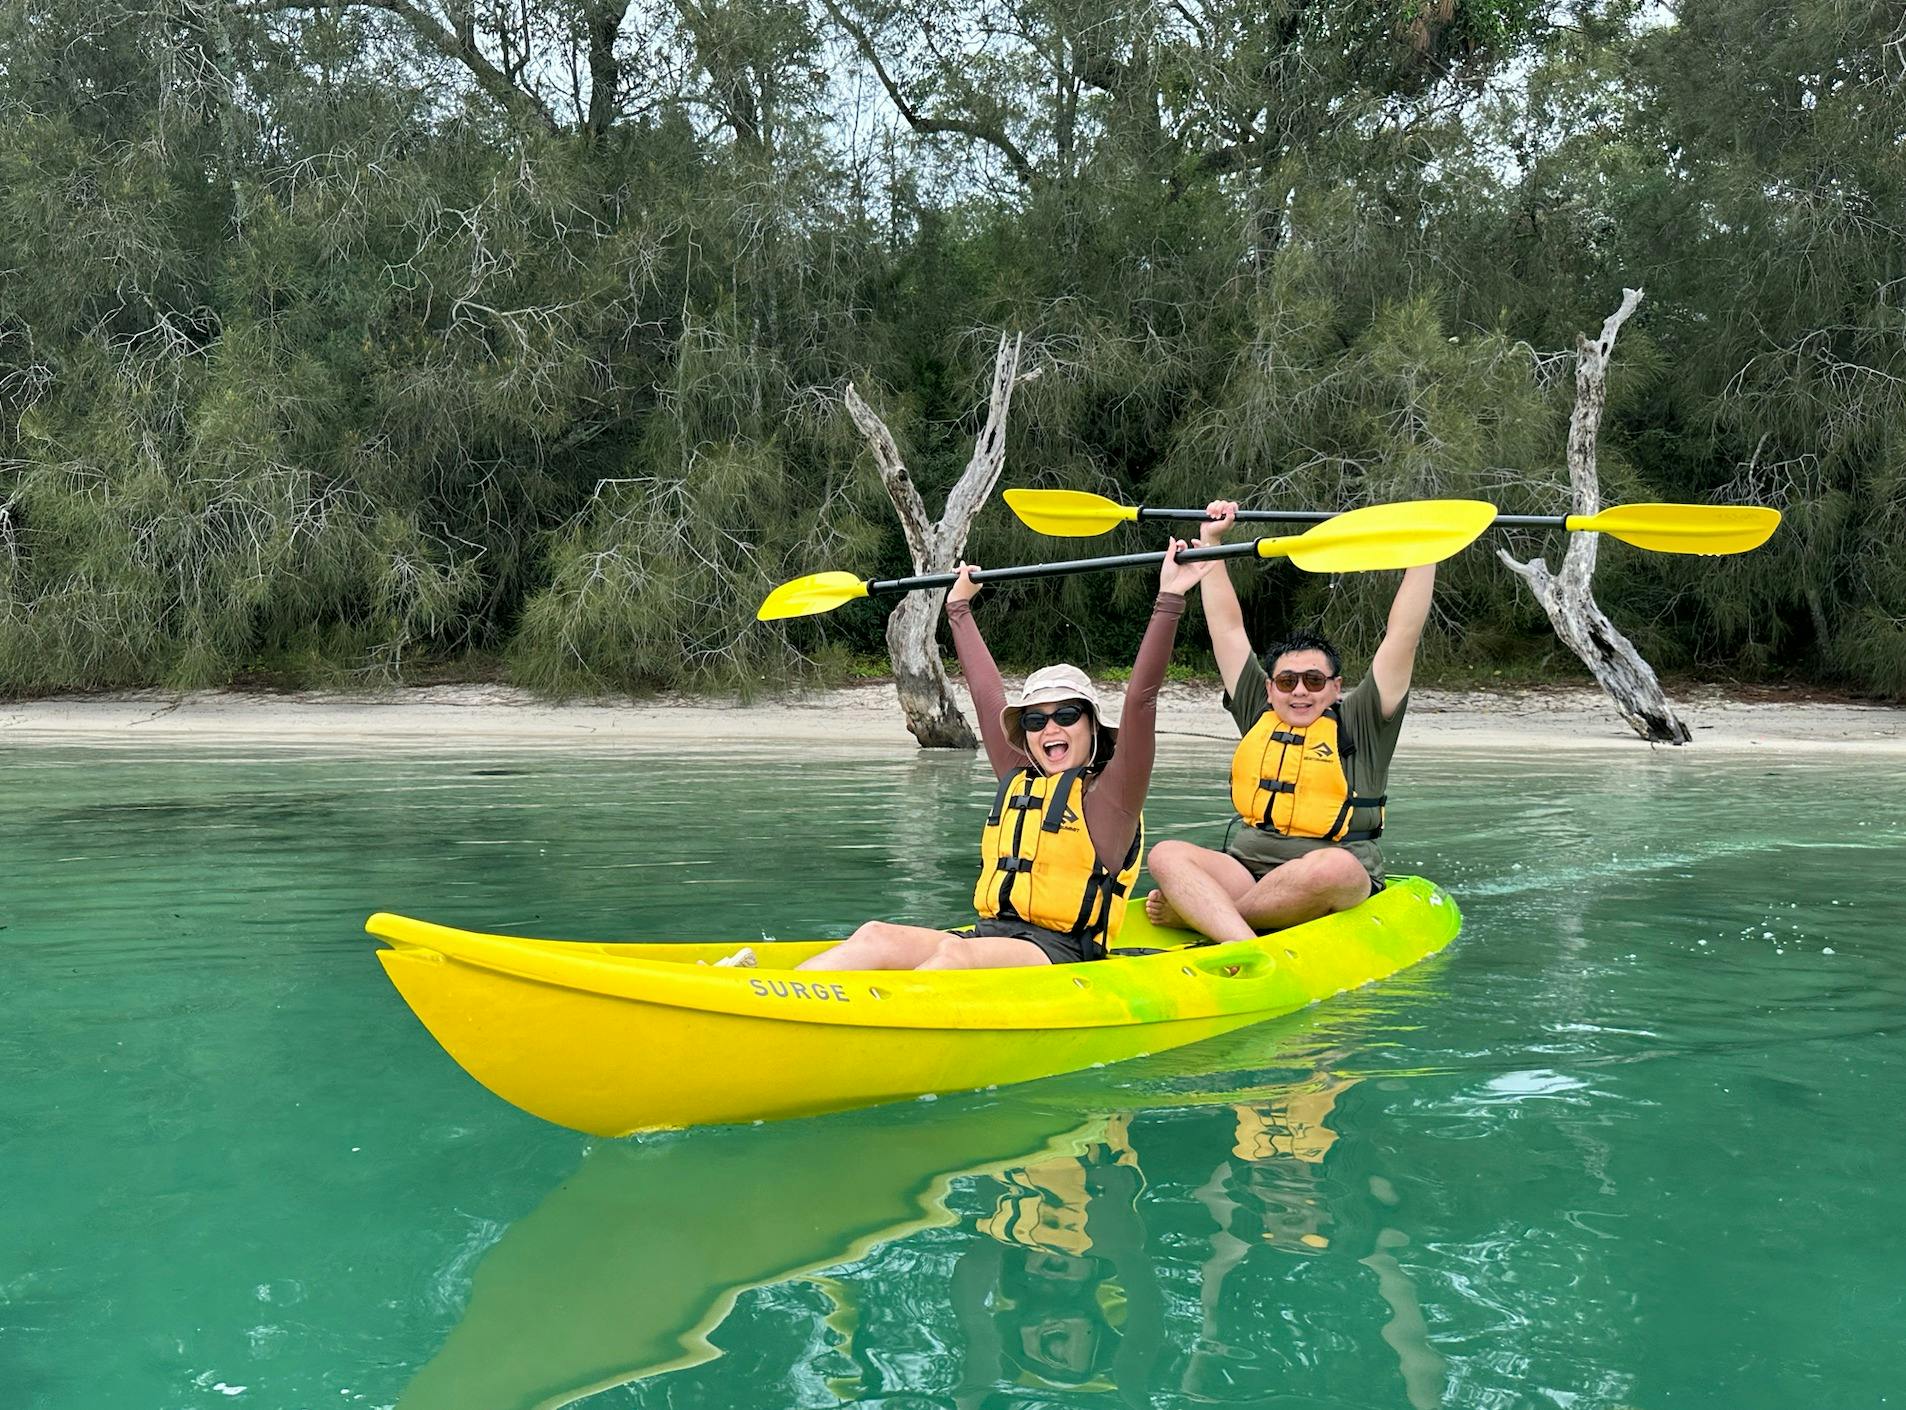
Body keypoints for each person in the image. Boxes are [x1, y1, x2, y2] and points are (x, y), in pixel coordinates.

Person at [782, 542, 1212, 972]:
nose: (1051, 728)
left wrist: (1170, 598)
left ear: (1092, 726)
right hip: (990, 937)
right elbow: (986, 695)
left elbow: (1142, 700)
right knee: (876, 935)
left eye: (1065, 714)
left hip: (1062, 954)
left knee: (955, 955)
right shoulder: (1017, 776)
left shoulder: (1114, 796)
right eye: (1035, 721)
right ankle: (785, 999)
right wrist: (959, 609)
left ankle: (878, 1018)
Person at [1144, 501, 1431, 942]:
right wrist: (1212, 543)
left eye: (1314, 680)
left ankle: (1212, 916)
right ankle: (1242, 931)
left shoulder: (1363, 720)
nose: (1300, 691)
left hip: (1333, 872)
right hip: (1247, 869)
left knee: (1332, 868)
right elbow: (1227, 628)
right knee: (1166, 854)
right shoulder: (1259, 710)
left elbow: (1403, 635)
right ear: (1270, 687)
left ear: (1336, 687)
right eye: (1288, 680)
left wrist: (1426, 550)